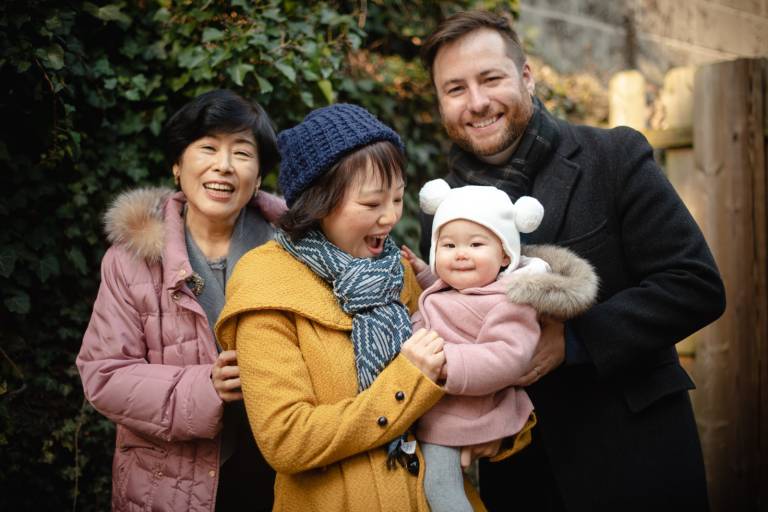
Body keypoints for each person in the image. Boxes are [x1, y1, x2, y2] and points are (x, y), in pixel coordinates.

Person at [418, 10, 726, 511]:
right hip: (518, 476)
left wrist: (575, 341)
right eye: (455, 89)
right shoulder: (444, 209)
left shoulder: (613, 157)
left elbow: (695, 284)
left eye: (490, 78)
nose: (476, 102)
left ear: (526, 76)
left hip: (634, 458)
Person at [215, 103, 486, 511]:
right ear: (319, 201)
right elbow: (286, 440)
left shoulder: (396, 268)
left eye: (397, 198)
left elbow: (458, 367)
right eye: (372, 203)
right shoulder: (266, 285)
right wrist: (405, 382)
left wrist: (497, 429)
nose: (391, 216)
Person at [77, 89, 284, 511]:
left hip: (283, 476)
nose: (223, 166)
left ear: (259, 174)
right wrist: (205, 386)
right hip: (168, 483)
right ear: (177, 165)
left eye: (242, 153)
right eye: (207, 148)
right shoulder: (131, 260)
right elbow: (104, 375)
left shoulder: (296, 252)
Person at [407, 179, 597, 512]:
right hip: (432, 404)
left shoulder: (510, 302)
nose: (461, 254)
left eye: (476, 244)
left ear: (505, 255)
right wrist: (423, 272)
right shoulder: (453, 289)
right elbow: (442, 298)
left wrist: (447, 362)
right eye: (448, 246)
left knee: (438, 487)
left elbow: (507, 357)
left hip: (463, 412)